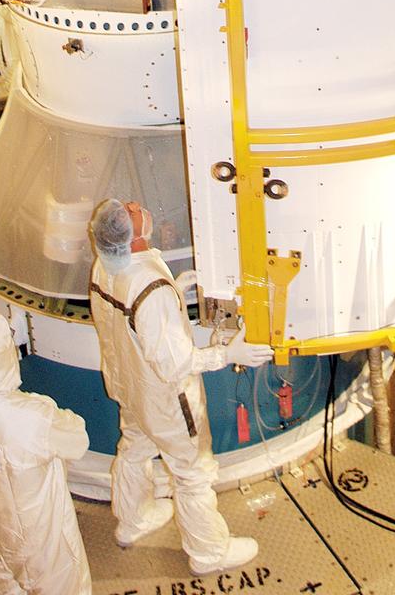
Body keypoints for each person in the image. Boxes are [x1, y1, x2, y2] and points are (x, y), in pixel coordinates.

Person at [89, 198, 273, 577]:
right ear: (133, 236)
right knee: (193, 471)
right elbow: (174, 363)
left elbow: (128, 323)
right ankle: (209, 552)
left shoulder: (104, 265)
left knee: (134, 448)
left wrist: (172, 289)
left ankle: (134, 519)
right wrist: (226, 353)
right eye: (130, 210)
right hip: (166, 401)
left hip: (129, 386)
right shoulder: (150, 287)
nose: (135, 204)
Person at [0, 312, 92, 595]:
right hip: (36, 547)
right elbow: (77, 440)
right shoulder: (28, 417)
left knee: (4, 590)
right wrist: (41, 405)